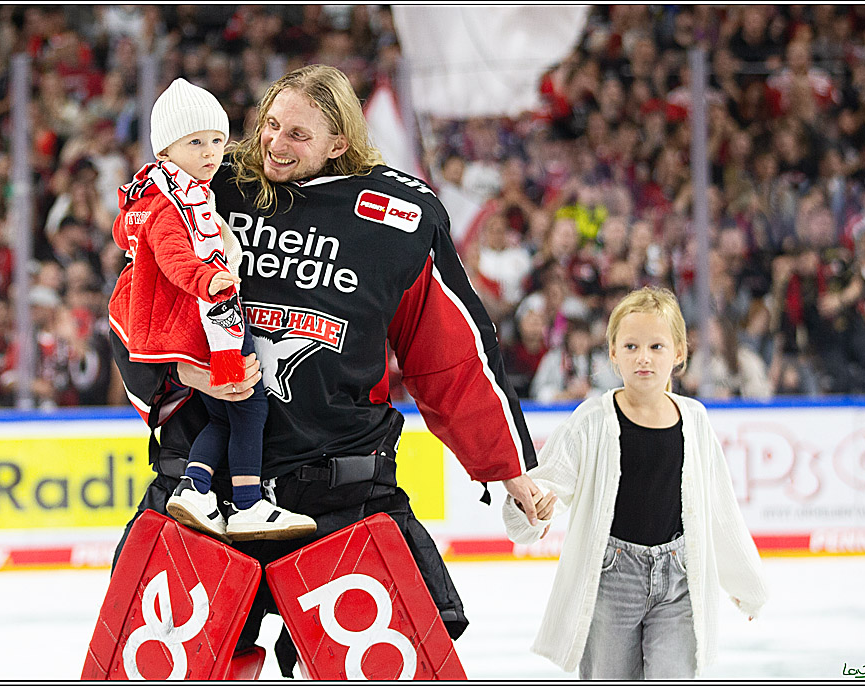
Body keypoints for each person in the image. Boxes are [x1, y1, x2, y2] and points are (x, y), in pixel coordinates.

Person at [109, 64, 543, 675]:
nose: (273, 145)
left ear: (339, 142)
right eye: (270, 125)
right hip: (203, 498)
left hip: (341, 497)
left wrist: (508, 467)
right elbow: (133, 311)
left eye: (298, 136)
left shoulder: (399, 217)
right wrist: (183, 376)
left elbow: (453, 356)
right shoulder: (200, 188)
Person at [504, 286, 767, 679]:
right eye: (630, 346)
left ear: (679, 353)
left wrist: (747, 586)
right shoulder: (593, 419)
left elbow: (718, 510)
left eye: (656, 347)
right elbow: (548, 482)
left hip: (679, 580)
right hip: (612, 579)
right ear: (613, 353)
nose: (643, 357)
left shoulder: (694, 421)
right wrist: (532, 508)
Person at [108, 78, 314, 542]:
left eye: (218, 141)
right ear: (166, 149)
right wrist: (209, 279)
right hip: (201, 320)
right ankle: (246, 502)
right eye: (196, 142)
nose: (210, 153)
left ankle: (198, 487)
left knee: (225, 412)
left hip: (194, 321)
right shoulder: (171, 204)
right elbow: (175, 256)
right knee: (249, 403)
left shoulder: (168, 192)